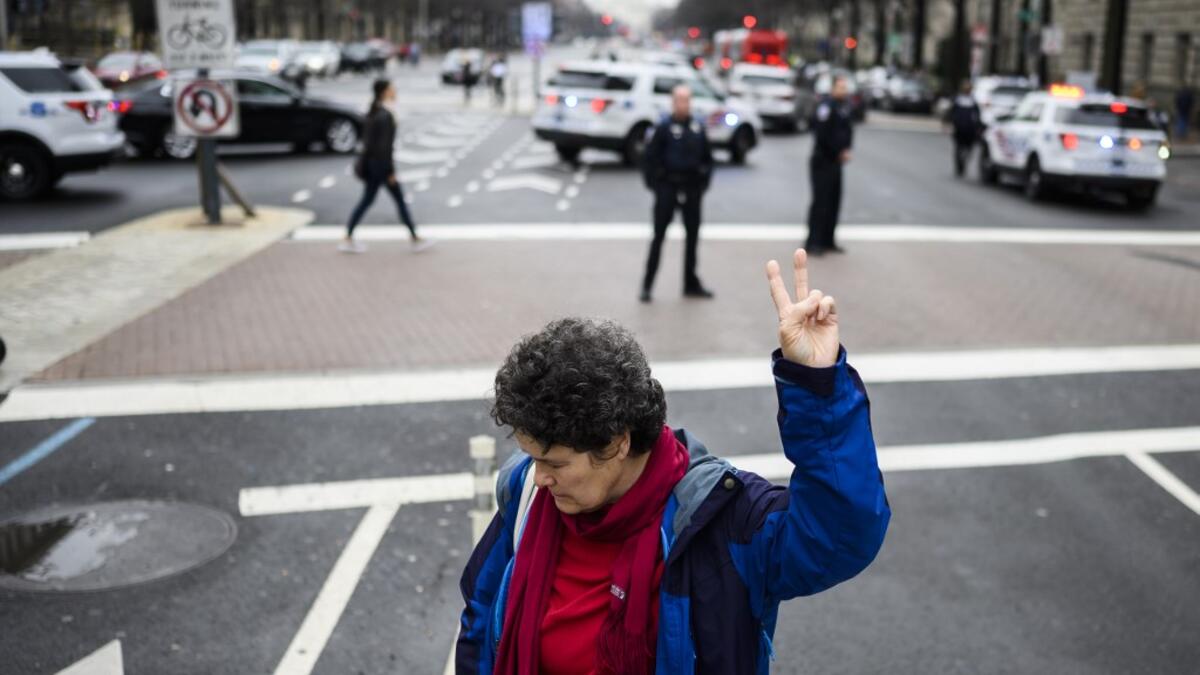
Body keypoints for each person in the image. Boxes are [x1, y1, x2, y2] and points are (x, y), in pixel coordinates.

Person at [455, 249, 891, 674]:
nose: (540, 475)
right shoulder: (526, 495)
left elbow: (839, 538)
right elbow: (480, 617)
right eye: (532, 456)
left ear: (617, 443)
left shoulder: (721, 520)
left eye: (555, 462)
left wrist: (818, 387)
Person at [639, 84, 715, 303]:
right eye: (680, 100)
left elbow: (708, 160)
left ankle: (691, 283)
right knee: (658, 237)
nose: (684, 104)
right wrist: (657, 186)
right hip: (668, 188)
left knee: (692, 239)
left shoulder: (697, 127)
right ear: (673, 102)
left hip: (692, 190)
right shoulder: (662, 128)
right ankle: (647, 285)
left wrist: (702, 184)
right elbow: (649, 160)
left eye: (687, 100)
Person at [341, 79, 430, 253]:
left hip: (373, 165)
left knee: (369, 200)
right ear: (384, 92)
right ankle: (415, 238)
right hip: (381, 167)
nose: (395, 91)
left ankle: (348, 237)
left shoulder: (375, 111)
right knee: (396, 201)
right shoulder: (385, 115)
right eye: (391, 88)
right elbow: (384, 148)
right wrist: (390, 172)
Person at [806, 74, 854, 256]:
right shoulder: (826, 106)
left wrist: (847, 149)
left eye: (845, 87)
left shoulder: (844, 107)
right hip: (823, 161)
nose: (844, 90)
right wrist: (838, 151)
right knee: (821, 202)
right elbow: (822, 135)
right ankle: (813, 241)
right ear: (833, 88)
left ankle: (828, 240)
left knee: (834, 201)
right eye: (840, 87)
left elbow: (848, 130)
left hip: (836, 162)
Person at [948, 79, 983, 177]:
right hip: (959, 128)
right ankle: (959, 165)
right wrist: (950, 123)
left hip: (970, 129)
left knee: (969, 148)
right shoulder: (958, 100)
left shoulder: (973, 101)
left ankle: (964, 160)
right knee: (958, 148)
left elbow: (977, 115)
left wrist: (978, 127)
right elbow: (951, 113)